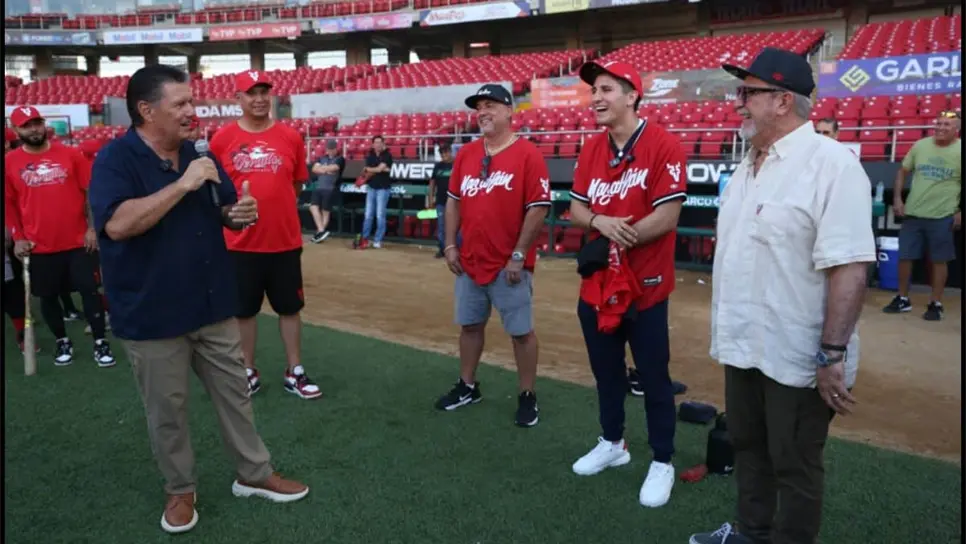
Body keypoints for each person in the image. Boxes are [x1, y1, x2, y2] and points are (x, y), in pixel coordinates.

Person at [88, 64, 309, 534]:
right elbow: (117, 225)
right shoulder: (115, 159)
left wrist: (236, 213)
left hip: (211, 304)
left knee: (236, 396)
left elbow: (222, 207)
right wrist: (182, 184)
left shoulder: (198, 153)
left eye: (192, 101)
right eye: (181, 104)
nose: (193, 111)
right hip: (152, 313)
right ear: (147, 110)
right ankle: (180, 490)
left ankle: (254, 473)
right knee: (168, 411)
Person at [689, 47, 876, 544]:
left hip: (798, 351)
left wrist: (832, 353)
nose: (738, 102)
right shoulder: (747, 166)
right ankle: (751, 533)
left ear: (782, 101)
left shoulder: (832, 165)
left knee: (794, 461)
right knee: (748, 445)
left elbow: (850, 267)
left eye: (748, 92)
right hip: (744, 342)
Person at [565, 61, 686, 508]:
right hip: (599, 285)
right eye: (594, 91)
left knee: (653, 376)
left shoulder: (663, 144)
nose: (596, 98)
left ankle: (662, 459)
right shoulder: (591, 148)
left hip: (646, 285)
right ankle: (613, 442)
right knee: (606, 371)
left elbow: (668, 216)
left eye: (606, 89)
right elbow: (577, 209)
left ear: (632, 95)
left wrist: (620, 234)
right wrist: (600, 221)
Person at [435, 84, 551, 428]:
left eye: (490, 105)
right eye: (479, 107)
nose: (482, 112)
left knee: (521, 332)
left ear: (509, 111)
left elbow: (538, 207)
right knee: (470, 326)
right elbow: (453, 201)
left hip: (508, 263)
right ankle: (468, 385)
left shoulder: (528, 154)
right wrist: (450, 245)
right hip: (470, 260)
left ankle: (527, 394)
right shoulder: (467, 154)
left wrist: (519, 254)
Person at [209, 70, 321, 400]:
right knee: (244, 311)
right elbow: (216, 191)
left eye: (264, 92)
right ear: (238, 98)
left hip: (284, 240)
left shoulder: (290, 136)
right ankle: (247, 370)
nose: (259, 99)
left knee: (290, 307)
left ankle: (294, 371)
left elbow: (296, 183)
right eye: (251, 92)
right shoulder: (222, 139)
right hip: (240, 243)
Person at [5, 105, 115, 367]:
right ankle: (62, 341)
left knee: (90, 292)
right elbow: (9, 204)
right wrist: (18, 237)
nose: (34, 129)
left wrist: (92, 228)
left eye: (37, 123)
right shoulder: (9, 162)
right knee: (48, 296)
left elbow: (90, 194)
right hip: (38, 244)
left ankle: (100, 342)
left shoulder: (70, 154)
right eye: (27, 126)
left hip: (78, 241)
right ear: (16, 130)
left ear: (44, 125)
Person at [883, 110, 961, 321]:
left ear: (956, 130)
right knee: (905, 257)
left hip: (943, 215)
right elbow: (902, 171)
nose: (941, 128)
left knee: (939, 260)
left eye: (946, 125)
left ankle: (935, 303)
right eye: (939, 123)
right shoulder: (920, 145)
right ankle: (902, 298)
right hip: (913, 213)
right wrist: (898, 198)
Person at [358, 135, 393, 249]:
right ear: (373, 144)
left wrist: (371, 169)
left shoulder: (387, 155)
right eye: (376, 142)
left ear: (383, 144)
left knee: (380, 215)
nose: (378, 144)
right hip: (371, 187)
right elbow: (372, 171)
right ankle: (365, 239)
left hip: (383, 188)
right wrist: (380, 169)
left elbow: (377, 169)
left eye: (380, 142)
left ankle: (378, 240)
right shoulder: (370, 156)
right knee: (368, 215)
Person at [308, 138, 345, 244]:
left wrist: (322, 169)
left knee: (325, 211)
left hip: (331, 188)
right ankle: (321, 231)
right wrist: (326, 170)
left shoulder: (340, 159)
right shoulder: (322, 158)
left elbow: (335, 168)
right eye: (329, 149)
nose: (330, 151)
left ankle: (319, 234)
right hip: (319, 186)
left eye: (332, 149)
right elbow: (314, 169)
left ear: (336, 149)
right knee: (313, 207)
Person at [428, 140, 455, 258]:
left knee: (455, 226)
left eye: (446, 152)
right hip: (440, 201)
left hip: (454, 201)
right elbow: (432, 183)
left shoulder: (456, 164)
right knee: (441, 226)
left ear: (450, 152)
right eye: (442, 153)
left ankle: (455, 249)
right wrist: (430, 198)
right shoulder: (438, 166)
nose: (444, 155)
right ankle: (442, 249)